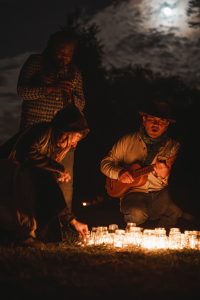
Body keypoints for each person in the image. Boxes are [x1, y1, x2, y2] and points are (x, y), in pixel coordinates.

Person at [0, 29, 86, 228]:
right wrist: (48, 89)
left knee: (64, 178)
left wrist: (70, 97)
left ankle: (63, 226)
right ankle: (29, 223)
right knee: (33, 177)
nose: (64, 57)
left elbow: (82, 103)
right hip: (36, 128)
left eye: (68, 54)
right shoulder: (36, 63)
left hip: (64, 133)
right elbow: (22, 91)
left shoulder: (74, 72)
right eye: (60, 52)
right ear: (51, 48)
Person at [0, 104, 90, 248]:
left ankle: (44, 234)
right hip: (7, 171)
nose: (75, 144)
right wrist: (58, 169)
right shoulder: (44, 129)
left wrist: (54, 172)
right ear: (68, 131)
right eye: (76, 138)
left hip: (19, 173)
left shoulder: (52, 145)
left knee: (47, 181)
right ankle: (31, 234)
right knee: (45, 180)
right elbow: (28, 154)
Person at [100, 98, 195, 230]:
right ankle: (132, 233)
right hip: (133, 193)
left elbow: (182, 177)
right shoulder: (127, 141)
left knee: (175, 210)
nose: (156, 124)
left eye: (162, 121)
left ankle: (161, 238)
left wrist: (165, 175)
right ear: (144, 119)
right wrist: (119, 173)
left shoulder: (174, 147)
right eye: (152, 119)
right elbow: (105, 163)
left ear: (167, 124)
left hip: (161, 193)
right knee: (136, 213)